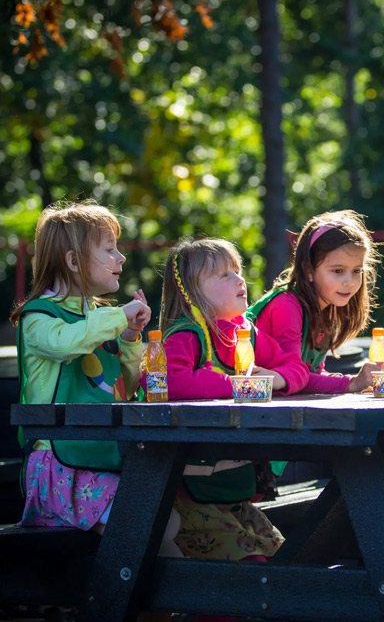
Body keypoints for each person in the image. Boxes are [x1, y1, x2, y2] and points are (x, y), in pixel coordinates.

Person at [11, 200, 180, 558]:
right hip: (55, 467)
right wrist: (119, 316)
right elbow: (65, 345)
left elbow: (125, 388)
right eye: (109, 249)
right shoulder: (38, 317)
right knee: (153, 526)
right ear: (73, 261)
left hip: (97, 458)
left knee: (168, 522)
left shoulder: (100, 318)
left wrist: (131, 340)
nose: (120, 257)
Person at [159, 237, 309, 563]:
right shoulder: (188, 334)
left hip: (234, 493)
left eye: (237, 271)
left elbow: (298, 368)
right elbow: (170, 381)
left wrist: (275, 378)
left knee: (285, 560)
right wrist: (236, 384)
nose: (239, 280)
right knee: (247, 572)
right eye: (224, 275)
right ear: (191, 291)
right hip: (190, 495)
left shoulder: (245, 333)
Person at [248, 210, 384, 393]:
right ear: (309, 271)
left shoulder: (326, 310)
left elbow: (312, 375)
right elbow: (295, 375)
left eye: (357, 271)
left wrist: (355, 382)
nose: (349, 281)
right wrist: (350, 384)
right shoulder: (287, 305)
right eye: (337, 271)